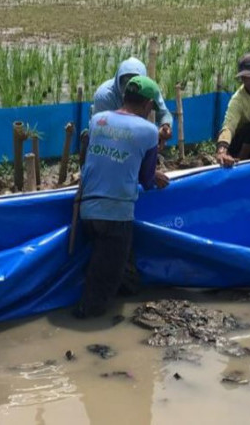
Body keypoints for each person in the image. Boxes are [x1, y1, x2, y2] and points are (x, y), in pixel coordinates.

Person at [74, 76, 170, 318]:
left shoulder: (98, 120)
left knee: (120, 267)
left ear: (124, 96)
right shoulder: (148, 132)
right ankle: (89, 322)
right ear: (148, 105)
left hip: (86, 209)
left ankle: (130, 296)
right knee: (103, 280)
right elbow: (146, 180)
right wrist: (155, 177)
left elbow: (87, 157)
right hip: (116, 214)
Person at [93, 57, 173, 146]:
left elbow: (163, 113)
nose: (129, 87)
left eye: (134, 82)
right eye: (125, 81)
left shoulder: (148, 89)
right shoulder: (104, 96)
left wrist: (165, 126)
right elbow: (105, 131)